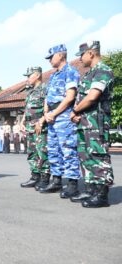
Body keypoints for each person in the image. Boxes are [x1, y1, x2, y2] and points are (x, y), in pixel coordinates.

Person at [70, 41, 114, 207]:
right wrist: (76, 115)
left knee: (98, 155)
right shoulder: (88, 74)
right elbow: (82, 99)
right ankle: (90, 189)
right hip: (84, 122)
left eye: (82, 55)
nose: (80, 59)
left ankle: (102, 195)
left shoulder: (103, 70)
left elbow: (92, 97)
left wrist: (74, 112)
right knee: (85, 156)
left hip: (97, 122)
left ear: (91, 53)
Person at [40, 44, 81, 195]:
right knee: (53, 150)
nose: (50, 60)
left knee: (68, 150)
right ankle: (56, 180)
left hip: (63, 116)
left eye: (52, 56)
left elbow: (70, 97)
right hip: (51, 116)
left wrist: (54, 113)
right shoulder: (53, 75)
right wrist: (46, 113)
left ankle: (72, 184)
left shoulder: (70, 72)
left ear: (61, 56)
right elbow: (47, 97)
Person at [19, 67, 51, 189]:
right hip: (29, 126)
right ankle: (35, 176)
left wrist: (41, 121)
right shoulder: (31, 92)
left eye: (29, 76)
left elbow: (47, 108)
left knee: (42, 152)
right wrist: (22, 122)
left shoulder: (44, 89)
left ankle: (45, 178)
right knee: (32, 152)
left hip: (39, 126)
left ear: (37, 75)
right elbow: (27, 109)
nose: (27, 79)